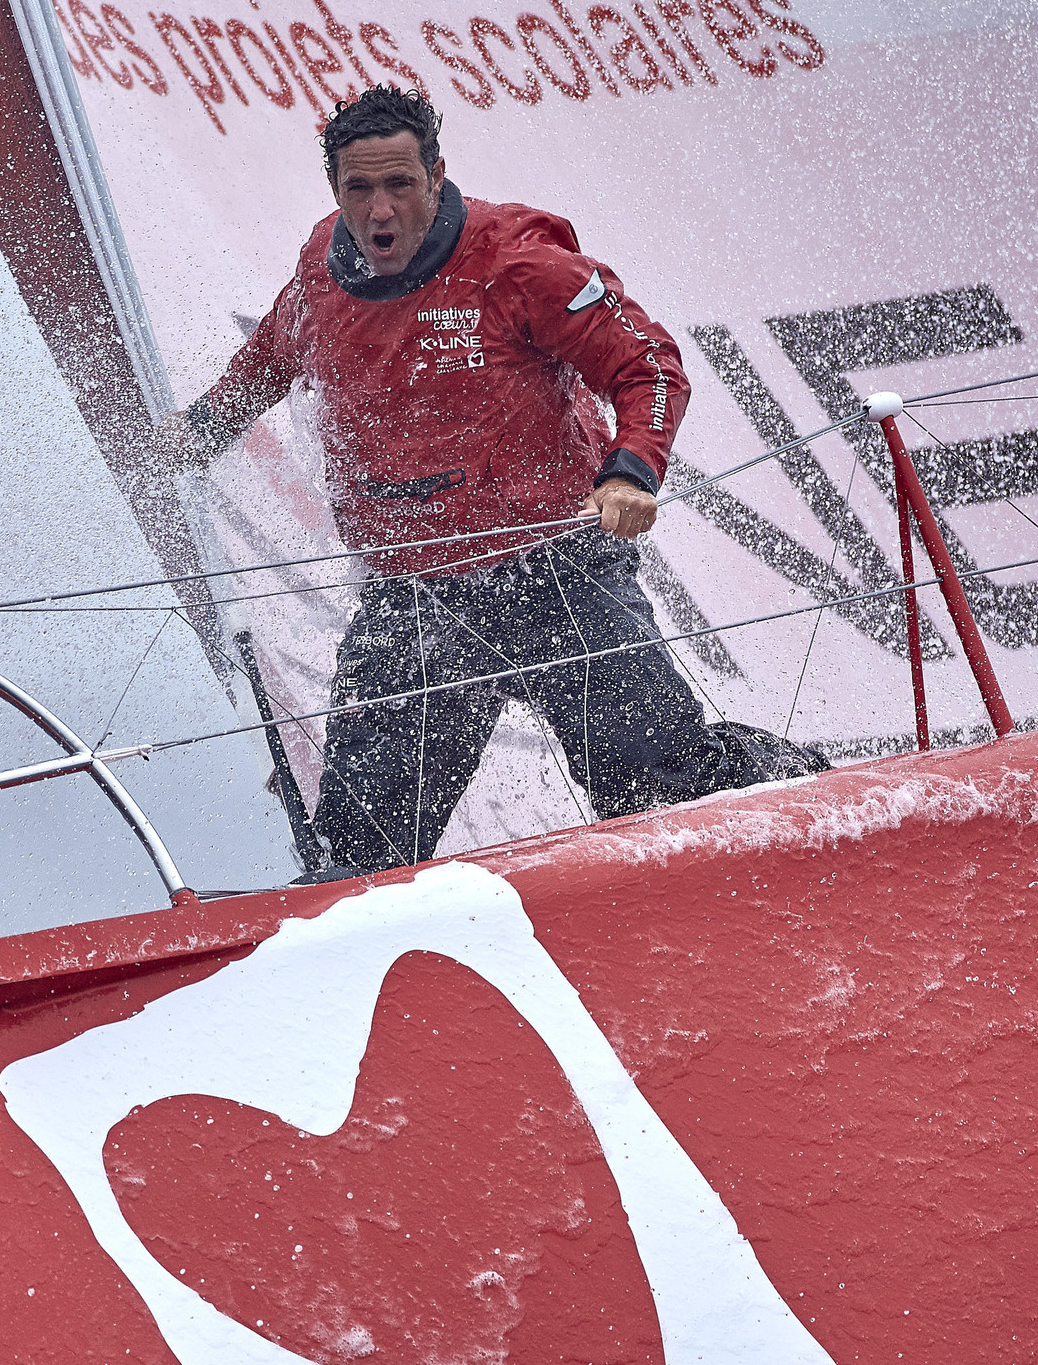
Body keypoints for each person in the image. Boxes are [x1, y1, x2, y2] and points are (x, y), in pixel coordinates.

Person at [160, 85, 823, 875]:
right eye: (358, 189)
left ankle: (802, 791)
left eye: (400, 185)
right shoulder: (321, 269)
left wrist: (631, 469)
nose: (380, 212)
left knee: (656, 797)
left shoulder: (516, 260)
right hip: (415, 600)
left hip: (558, 574)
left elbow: (646, 364)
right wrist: (192, 438)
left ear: (436, 176)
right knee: (356, 853)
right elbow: (269, 359)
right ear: (334, 191)